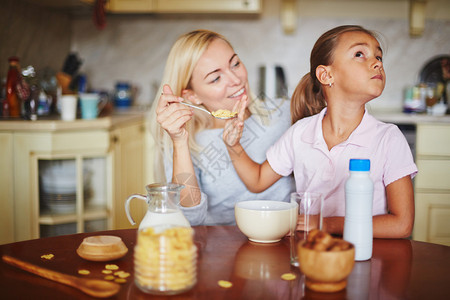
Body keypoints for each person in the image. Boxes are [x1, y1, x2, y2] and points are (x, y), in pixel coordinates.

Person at [224, 25, 418, 238]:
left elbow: (402, 224)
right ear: (326, 75)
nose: (376, 63)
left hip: (369, 257)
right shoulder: (300, 134)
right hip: (310, 252)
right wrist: (233, 146)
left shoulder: (389, 138)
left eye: (379, 57)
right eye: (360, 54)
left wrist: (328, 224)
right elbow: (258, 180)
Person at [149, 29, 295, 226]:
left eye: (235, 64)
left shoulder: (284, 112)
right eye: (216, 78)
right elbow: (190, 219)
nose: (236, 80)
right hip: (226, 252)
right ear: (192, 96)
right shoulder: (187, 143)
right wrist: (179, 142)